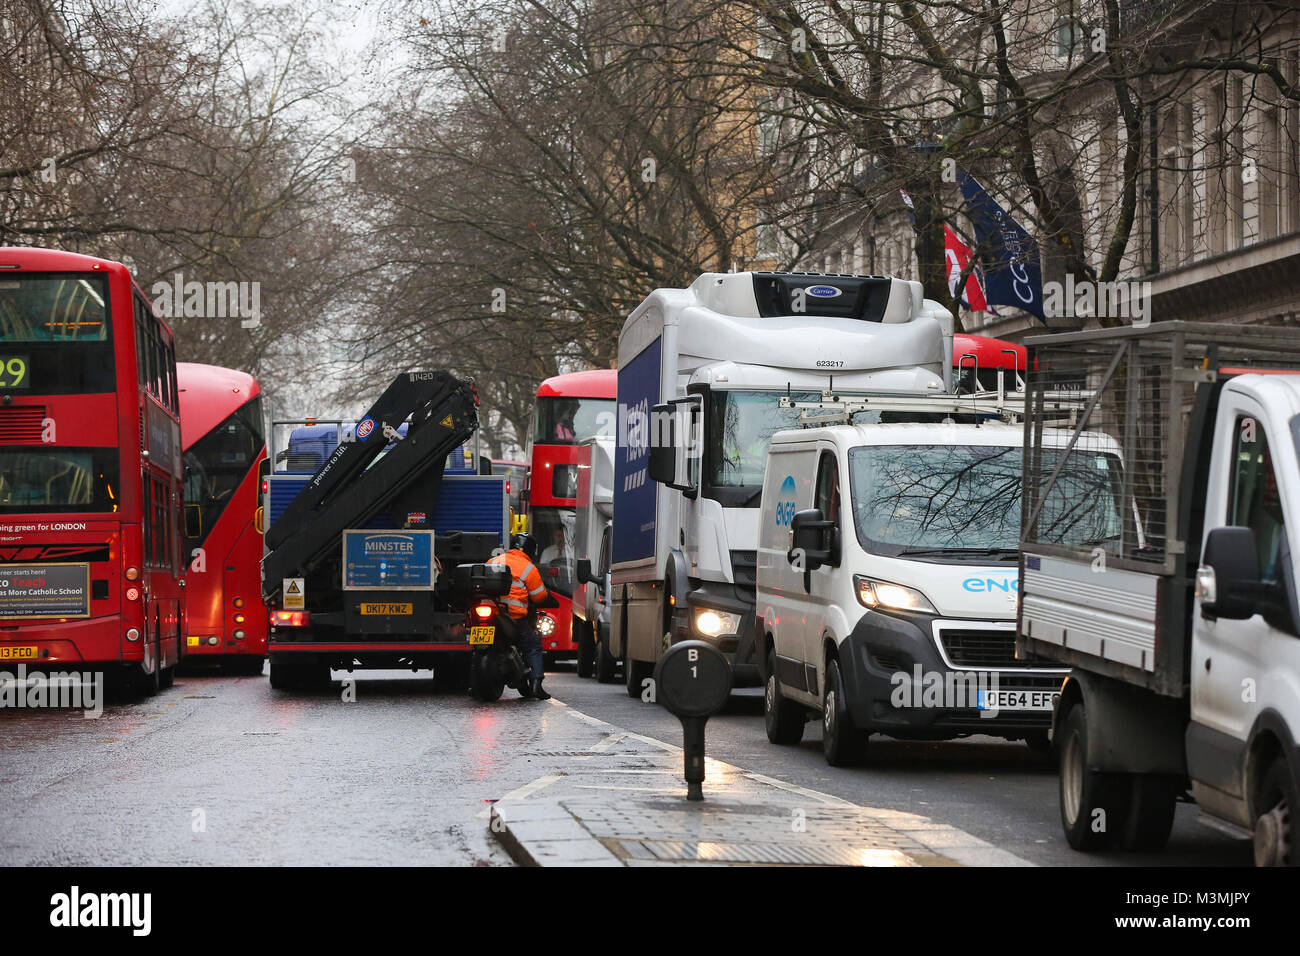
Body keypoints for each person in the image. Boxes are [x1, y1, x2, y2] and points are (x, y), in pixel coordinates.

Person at [487, 532, 557, 700]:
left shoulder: (493, 561)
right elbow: (539, 597)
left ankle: (473, 684)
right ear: (531, 550)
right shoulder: (528, 568)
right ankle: (536, 684)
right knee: (533, 645)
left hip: (491, 615)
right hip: (513, 616)